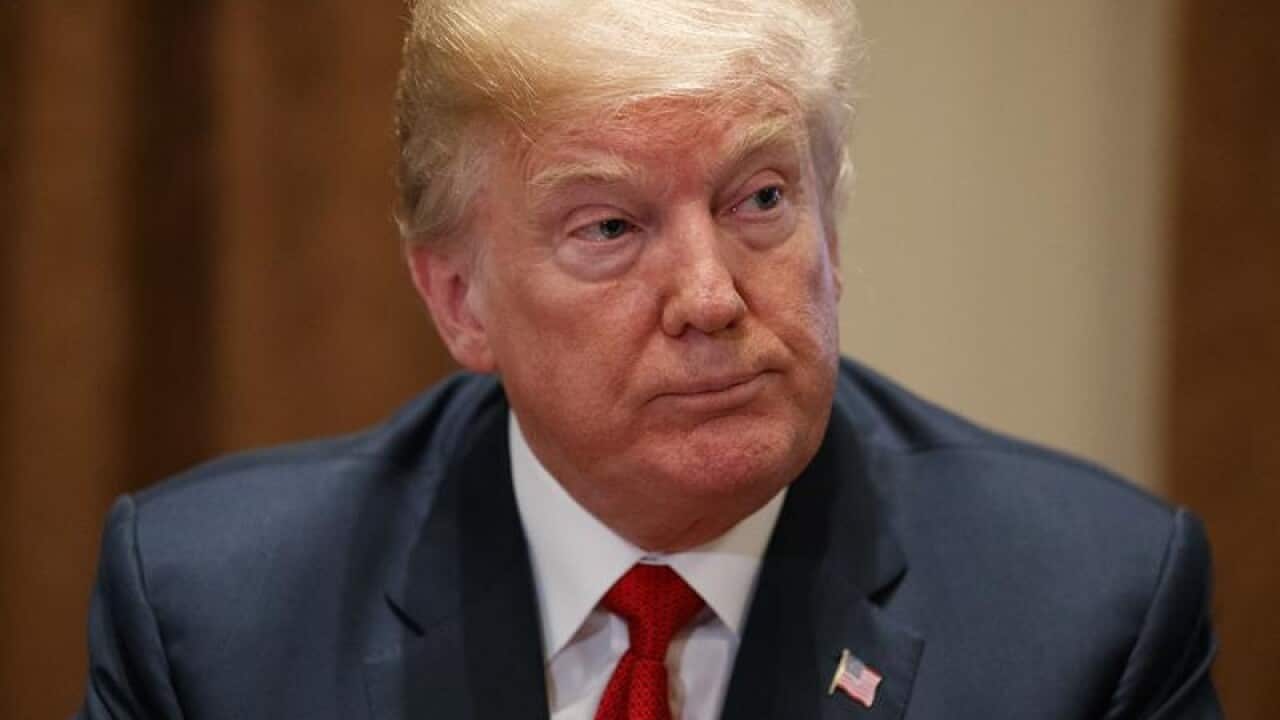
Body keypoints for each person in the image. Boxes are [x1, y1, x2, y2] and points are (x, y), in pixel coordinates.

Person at [79, 1, 1221, 718]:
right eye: (610, 227)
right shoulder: (211, 618)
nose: (710, 298)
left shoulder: (1089, 615)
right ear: (459, 299)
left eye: (760, 199)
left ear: (831, 233)